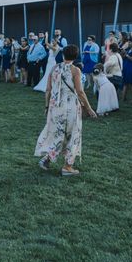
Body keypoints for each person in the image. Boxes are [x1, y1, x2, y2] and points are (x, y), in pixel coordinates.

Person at [35, 45, 97, 176]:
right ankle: (67, 166)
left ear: (63, 55)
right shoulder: (75, 70)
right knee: (72, 135)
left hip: (54, 106)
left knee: (57, 133)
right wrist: (89, 108)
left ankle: (47, 159)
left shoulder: (54, 68)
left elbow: (48, 90)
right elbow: (80, 91)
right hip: (70, 107)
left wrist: (46, 107)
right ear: (76, 56)